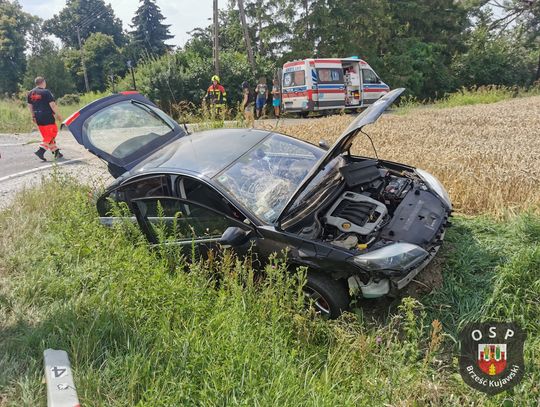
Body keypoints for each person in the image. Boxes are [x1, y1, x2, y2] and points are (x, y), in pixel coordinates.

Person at [27, 76, 63, 161]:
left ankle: (56, 153)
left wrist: (33, 116)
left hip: (38, 116)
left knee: (47, 135)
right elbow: (52, 105)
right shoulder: (46, 92)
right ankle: (41, 151)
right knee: (52, 133)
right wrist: (58, 115)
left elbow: (30, 106)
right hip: (47, 116)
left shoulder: (30, 93)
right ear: (43, 82)